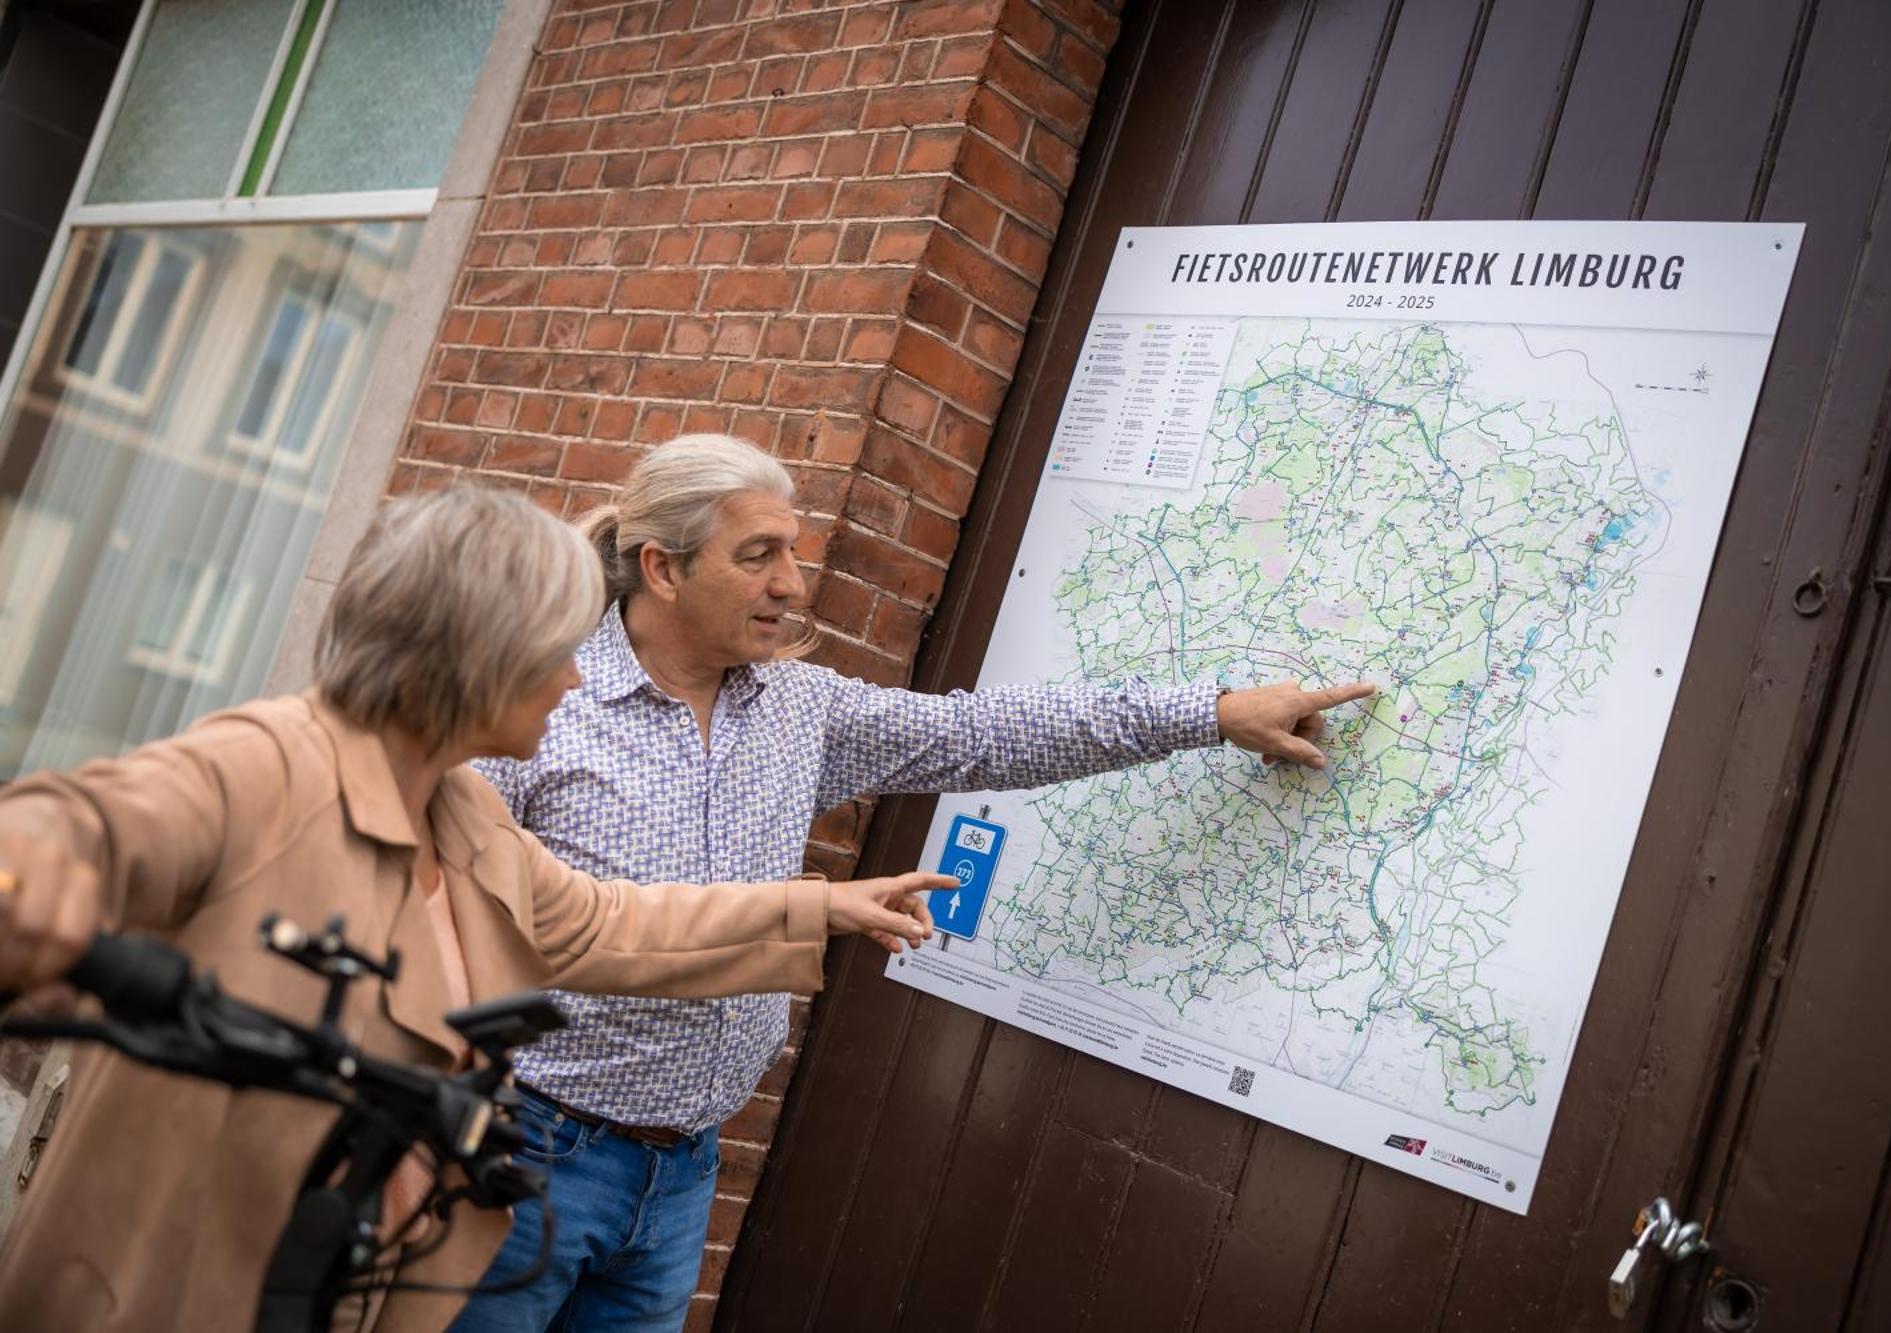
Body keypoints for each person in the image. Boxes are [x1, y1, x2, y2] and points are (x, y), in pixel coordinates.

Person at [451, 434, 1375, 1332]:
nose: (792, 583)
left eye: (795, 552)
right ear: (663, 568)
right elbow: (469, 930)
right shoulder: (544, 706)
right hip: (534, 1149)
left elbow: (993, 734)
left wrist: (1211, 713)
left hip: (683, 1171)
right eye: (759, 554)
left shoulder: (799, 709)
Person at [0, 486, 946, 1333]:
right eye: (555, 650)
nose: (577, 677)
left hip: (336, 1285)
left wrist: (821, 907)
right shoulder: (273, 764)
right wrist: (32, 877)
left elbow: (611, 923)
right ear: (475, 649)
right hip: (167, 1289)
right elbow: (76, 825)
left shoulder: (463, 814)